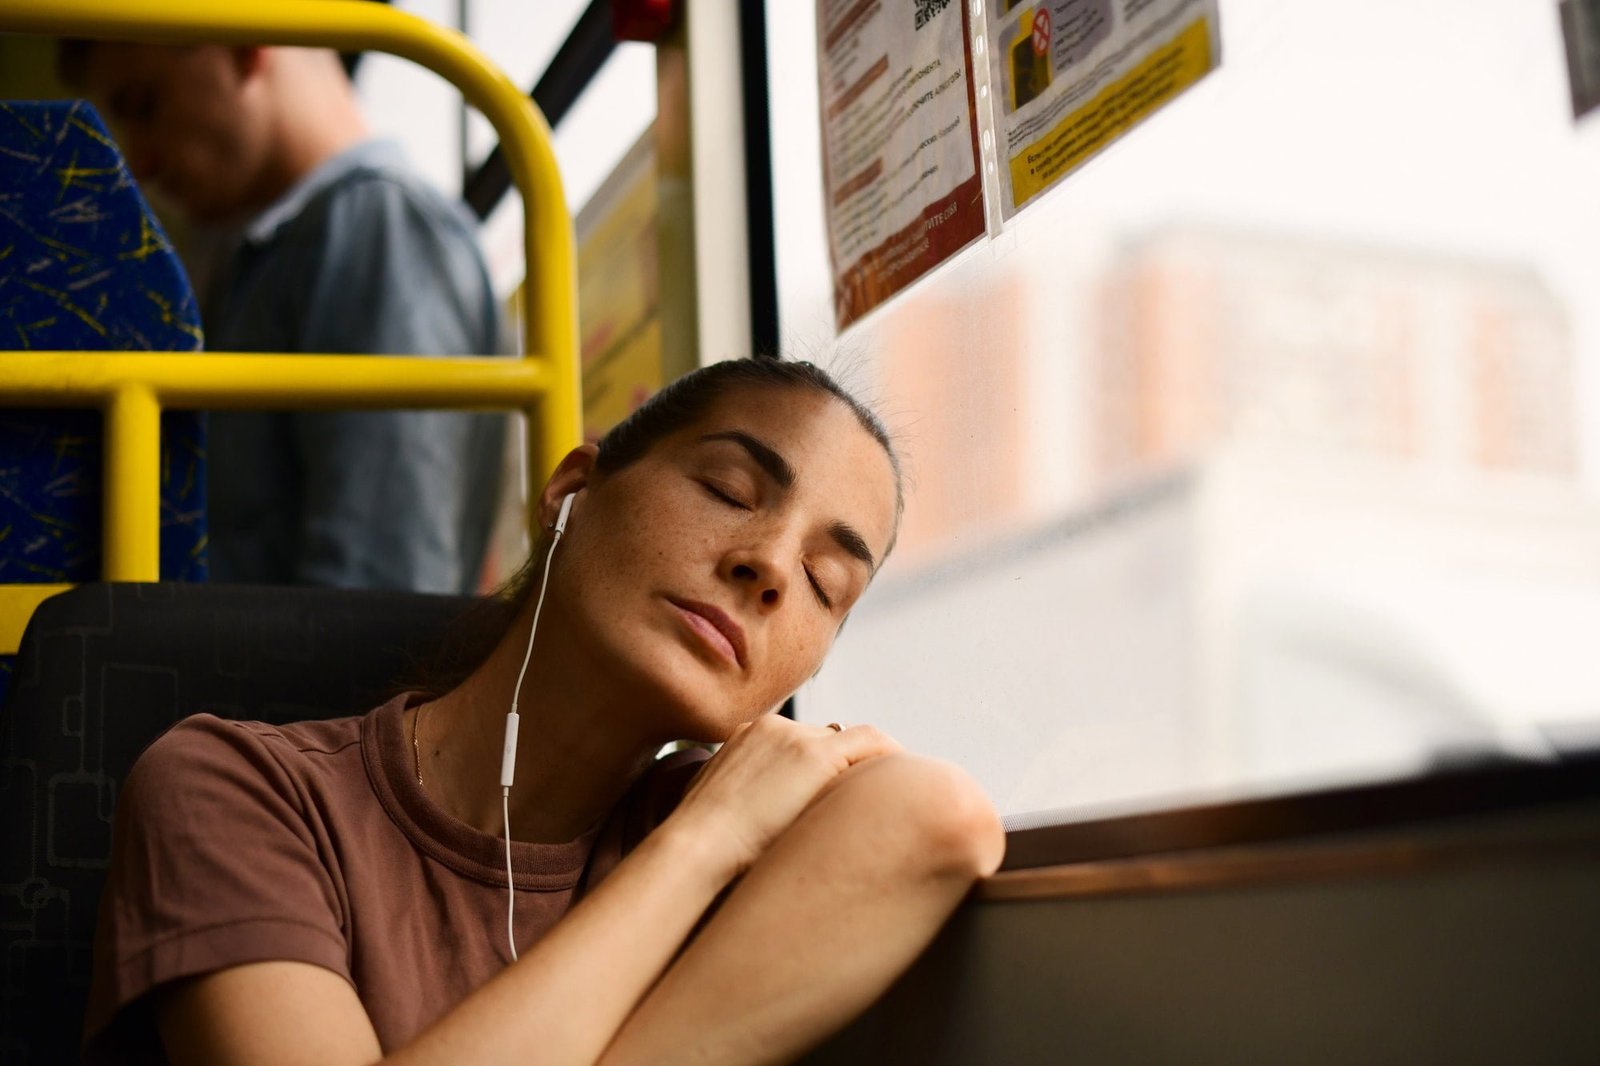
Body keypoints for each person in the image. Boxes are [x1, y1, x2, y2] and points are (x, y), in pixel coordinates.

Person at [84, 358, 1006, 1065]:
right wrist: (702, 847)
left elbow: (941, 817)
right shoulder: (235, 789)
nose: (769, 565)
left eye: (823, 581)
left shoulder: (733, 824)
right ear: (571, 490)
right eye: (727, 491)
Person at [60, 39, 508, 593]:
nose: (141, 162)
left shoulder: (376, 228)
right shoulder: (251, 262)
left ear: (246, 45)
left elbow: (377, 601)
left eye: (146, 104)